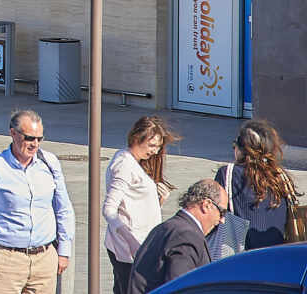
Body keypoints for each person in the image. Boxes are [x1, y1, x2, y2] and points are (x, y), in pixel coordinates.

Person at [0, 108, 75, 294]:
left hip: (44, 259)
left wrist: (64, 250)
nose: (35, 144)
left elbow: (63, 208)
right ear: (13, 133)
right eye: (29, 138)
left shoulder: (49, 163)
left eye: (39, 139)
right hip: (5, 261)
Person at [104, 116, 179, 294]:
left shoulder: (130, 161)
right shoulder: (125, 165)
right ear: (137, 138)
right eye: (152, 145)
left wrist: (158, 200)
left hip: (137, 245)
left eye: (158, 147)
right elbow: (109, 209)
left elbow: (134, 206)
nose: (154, 151)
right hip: (130, 249)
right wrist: (130, 241)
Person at [126, 179, 226, 294]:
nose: (222, 220)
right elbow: (181, 288)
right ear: (206, 205)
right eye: (222, 212)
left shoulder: (168, 227)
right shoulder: (187, 235)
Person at [214, 120, 301, 250]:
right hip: (276, 253)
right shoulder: (280, 176)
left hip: (242, 256)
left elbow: (215, 216)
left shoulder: (228, 174)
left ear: (240, 149)